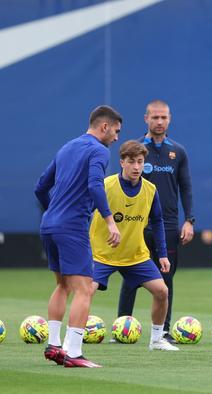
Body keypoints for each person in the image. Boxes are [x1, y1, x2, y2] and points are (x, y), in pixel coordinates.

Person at [35, 105, 122, 368]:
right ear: (104, 127)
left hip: (49, 224)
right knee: (85, 289)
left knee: (63, 285)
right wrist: (110, 222)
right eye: (116, 131)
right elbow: (95, 185)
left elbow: (41, 187)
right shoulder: (99, 150)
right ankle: (72, 353)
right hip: (72, 228)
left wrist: (52, 212)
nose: (117, 138)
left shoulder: (67, 147)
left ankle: (53, 345)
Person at [90, 140, 179, 351]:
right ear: (122, 162)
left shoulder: (150, 190)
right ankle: (72, 343)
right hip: (102, 255)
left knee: (162, 291)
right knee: (86, 292)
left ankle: (156, 339)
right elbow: (85, 211)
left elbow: (157, 222)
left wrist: (163, 255)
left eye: (140, 162)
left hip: (135, 255)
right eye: (131, 162)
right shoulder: (105, 186)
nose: (136, 167)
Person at [117, 99, 194, 342]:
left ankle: (164, 331)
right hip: (137, 224)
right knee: (130, 277)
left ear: (169, 119)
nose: (159, 122)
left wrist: (189, 220)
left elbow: (186, 187)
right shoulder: (135, 150)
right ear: (146, 119)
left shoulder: (178, 152)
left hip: (168, 225)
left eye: (164, 117)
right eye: (155, 117)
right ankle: (122, 329)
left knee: (166, 278)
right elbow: (120, 185)